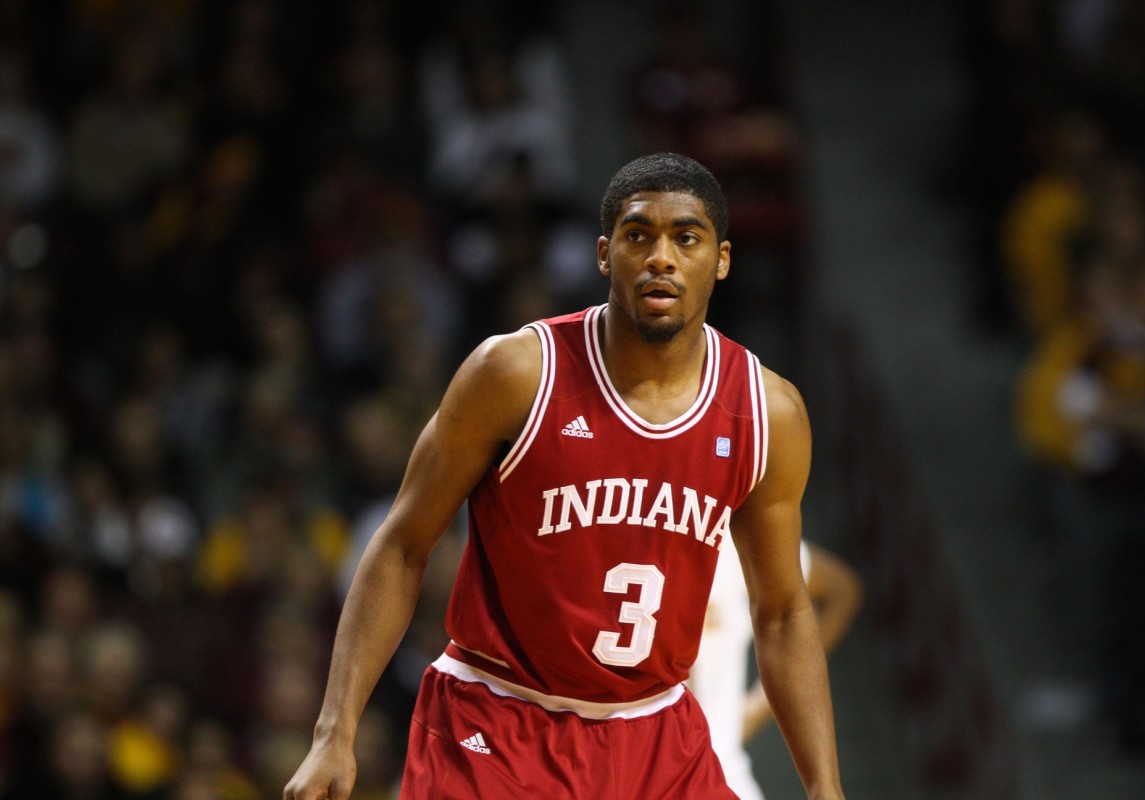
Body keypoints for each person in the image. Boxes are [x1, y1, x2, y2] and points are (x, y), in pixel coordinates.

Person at [282, 152, 845, 800]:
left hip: (655, 732)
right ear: (605, 254)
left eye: (685, 238)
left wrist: (825, 791)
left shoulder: (767, 412)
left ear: (719, 260)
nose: (661, 257)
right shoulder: (516, 373)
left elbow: (781, 613)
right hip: (498, 718)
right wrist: (334, 732)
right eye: (640, 235)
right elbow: (403, 545)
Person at [690, 539, 862, 800]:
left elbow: (840, 589)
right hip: (635, 771)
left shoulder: (731, 536)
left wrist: (755, 709)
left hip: (723, 772)